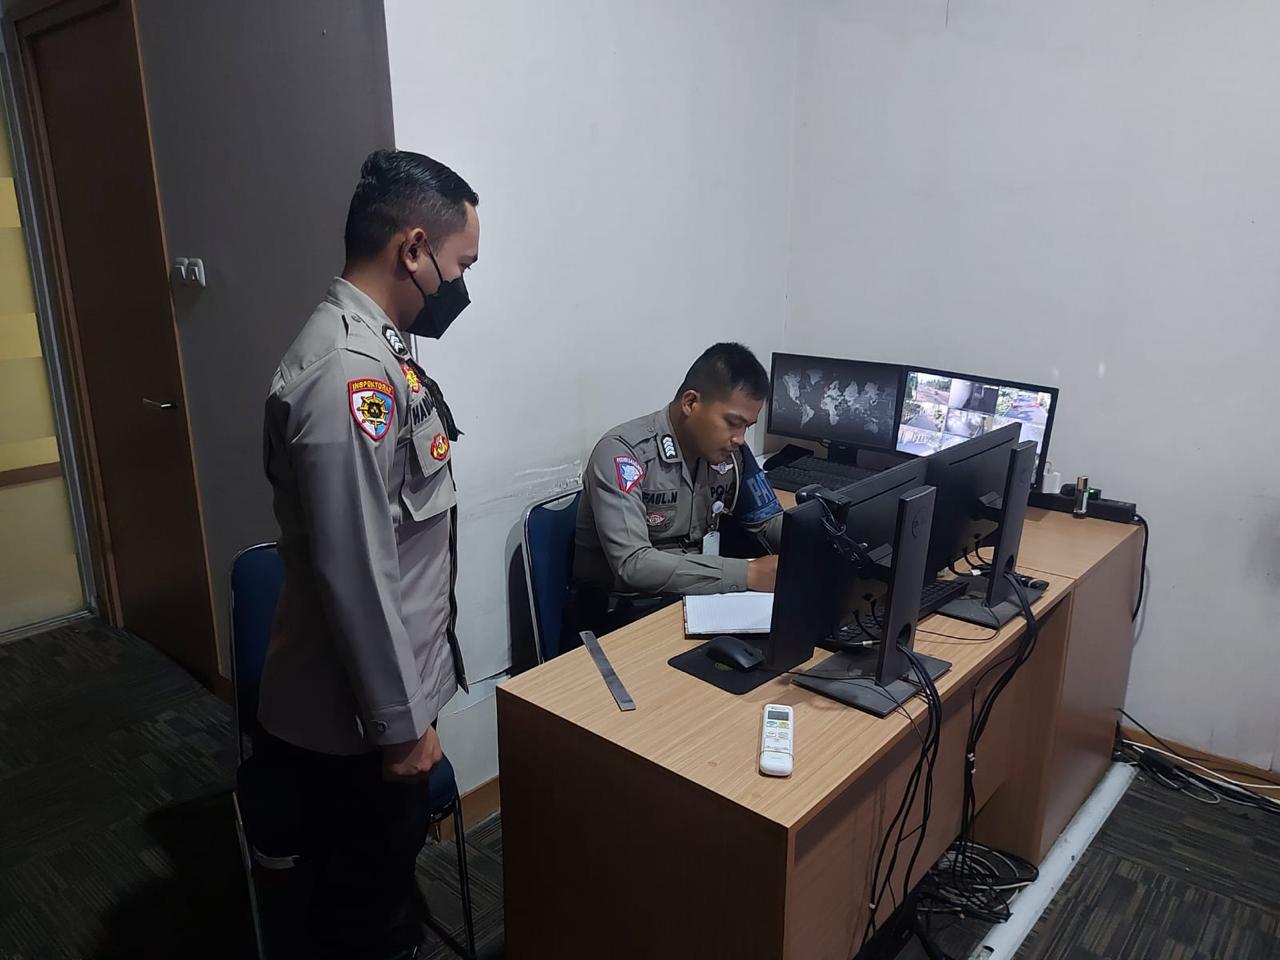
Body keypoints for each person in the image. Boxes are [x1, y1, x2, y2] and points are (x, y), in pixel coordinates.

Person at [253, 149, 479, 960]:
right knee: (364, 926)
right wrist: (401, 726)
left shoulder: (383, 352)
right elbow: (356, 569)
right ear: (413, 249)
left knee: (381, 899)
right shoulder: (349, 374)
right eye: (461, 264)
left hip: (380, 705)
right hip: (354, 728)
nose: (462, 284)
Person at [570, 342, 784, 637]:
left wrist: (821, 539)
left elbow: (768, 522)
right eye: (733, 423)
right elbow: (633, 565)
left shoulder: (732, 453)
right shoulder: (624, 455)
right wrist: (748, 574)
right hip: (624, 616)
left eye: (747, 426)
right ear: (690, 403)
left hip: (697, 598)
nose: (739, 438)